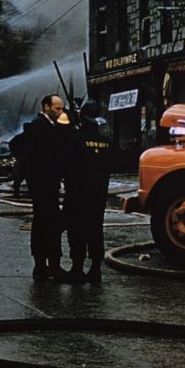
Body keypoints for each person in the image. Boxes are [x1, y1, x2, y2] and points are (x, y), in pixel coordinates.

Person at [59, 100, 114, 284]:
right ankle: (95, 270)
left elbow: (64, 165)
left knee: (76, 232)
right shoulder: (107, 142)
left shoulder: (75, 140)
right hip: (98, 196)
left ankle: (77, 269)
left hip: (77, 195)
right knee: (95, 231)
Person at [25, 94, 68, 281]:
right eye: (57, 108)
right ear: (46, 107)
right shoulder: (40, 126)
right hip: (44, 184)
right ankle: (50, 266)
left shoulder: (44, 126)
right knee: (49, 224)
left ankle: (43, 266)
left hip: (43, 184)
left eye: (61, 108)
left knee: (44, 223)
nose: (61, 112)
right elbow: (42, 158)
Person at [8, 121, 32, 196]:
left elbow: (11, 144)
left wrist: (15, 153)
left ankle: (17, 192)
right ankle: (25, 192)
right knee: (27, 176)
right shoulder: (31, 137)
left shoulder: (20, 137)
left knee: (21, 176)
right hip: (26, 160)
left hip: (24, 159)